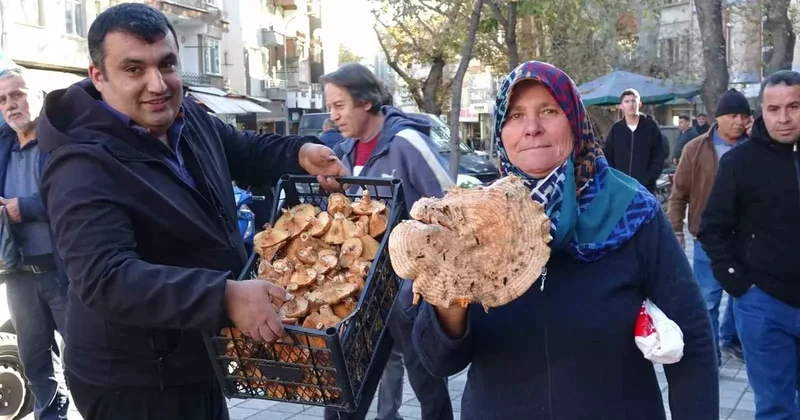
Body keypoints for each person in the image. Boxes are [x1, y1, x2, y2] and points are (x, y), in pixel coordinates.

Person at [35, 4, 347, 420]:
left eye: (167, 64)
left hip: (196, 357)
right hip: (134, 382)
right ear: (99, 77)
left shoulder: (188, 115)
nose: (157, 84)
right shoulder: (80, 165)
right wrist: (223, 295)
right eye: (133, 69)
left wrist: (299, 151)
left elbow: (241, 149)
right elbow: (105, 277)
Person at [412, 61, 718, 419]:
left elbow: (692, 337)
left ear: (574, 120)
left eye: (548, 110)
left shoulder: (631, 211)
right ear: (500, 132)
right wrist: (450, 300)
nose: (532, 128)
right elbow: (437, 360)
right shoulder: (470, 219)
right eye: (514, 116)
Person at [322, 63, 454, 420]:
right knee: (344, 387)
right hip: (360, 296)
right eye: (330, 107)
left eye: (339, 105)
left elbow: (450, 204)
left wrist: (426, 273)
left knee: (427, 381)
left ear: (365, 102)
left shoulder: (408, 142)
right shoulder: (345, 153)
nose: (333, 116)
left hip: (407, 296)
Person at [699, 70, 800, 420]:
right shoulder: (740, 162)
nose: (784, 118)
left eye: (794, 106)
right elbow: (712, 228)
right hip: (765, 304)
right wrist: (741, 286)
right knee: (776, 408)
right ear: (762, 113)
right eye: (774, 109)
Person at [0, 67, 70, 420]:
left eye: (18, 94)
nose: (11, 104)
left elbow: (69, 197)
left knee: (84, 358)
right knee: (34, 363)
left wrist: (21, 207)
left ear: (38, 96)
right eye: (2, 99)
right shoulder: (3, 147)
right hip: (18, 276)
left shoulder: (60, 141)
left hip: (61, 272)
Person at [668, 89, 750, 365]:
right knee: (709, 298)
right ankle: (710, 352)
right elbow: (679, 193)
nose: (739, 121)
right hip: (707, 236)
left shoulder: (753, 147)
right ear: (720, 118)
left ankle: (731, 339)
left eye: (744, 116)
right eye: (734, 116)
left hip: (746, 237)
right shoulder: (696, 148)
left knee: (742, 293)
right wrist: (676, 230)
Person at [603, 88, 667, 192]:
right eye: (627, 101)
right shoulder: (616, 129)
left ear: (640, 104)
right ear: (621, 106)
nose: (631, 104)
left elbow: (659, 155)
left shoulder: (651, 127)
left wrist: (648, 178)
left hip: (645, 188)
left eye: (633, 101)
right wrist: (616, 178)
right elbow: (608, 156)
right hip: (621, 187)